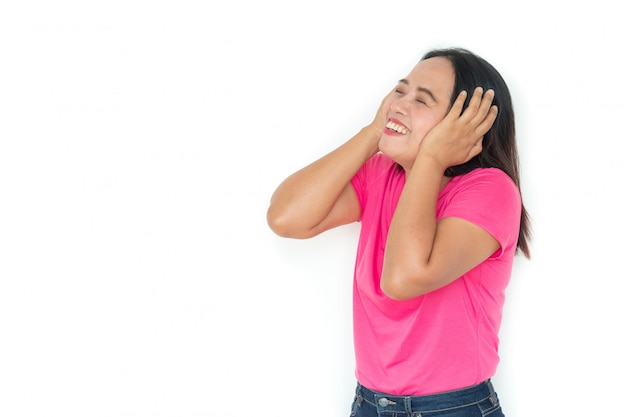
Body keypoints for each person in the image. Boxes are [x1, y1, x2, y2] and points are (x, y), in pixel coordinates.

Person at [266, 47, 531, 417]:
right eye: (400, 91)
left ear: (467, 123)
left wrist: (433, 158)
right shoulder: (382, 174)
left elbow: (404, 278)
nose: (399, 104)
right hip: (369, 403)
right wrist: (375, 130)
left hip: (453, 408)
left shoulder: (491, 190)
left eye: (422, 100)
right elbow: (286, 218)